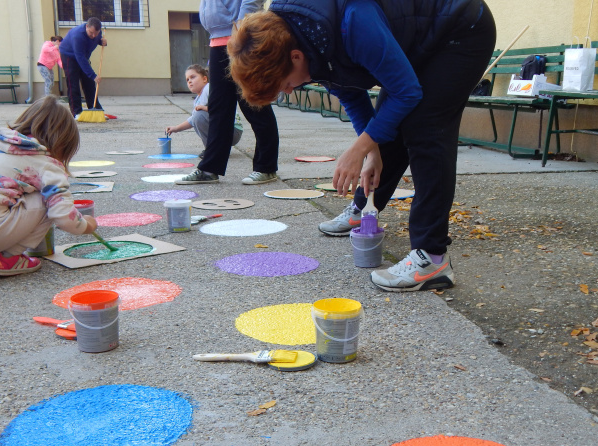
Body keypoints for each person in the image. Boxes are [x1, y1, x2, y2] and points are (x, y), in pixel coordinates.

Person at [228, 0, 496, 292]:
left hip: (461, 28)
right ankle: (366, 209)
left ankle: (432, 259)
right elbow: (351, 95)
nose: (290, 90)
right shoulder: (306, 38)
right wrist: (370, 151)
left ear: (295, 57)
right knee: (386, 126)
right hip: (423, 38)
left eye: (286, 84)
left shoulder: (352, 23)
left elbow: (406, 92)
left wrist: (358, 149)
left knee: (425, 128)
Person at [0, 96, 98, 289]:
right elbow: (62, 215)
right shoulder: (47, 162)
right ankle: (8, 258)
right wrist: (86, 225)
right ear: (63, 144)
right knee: (47, 199)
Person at [176, 0, 279, 186]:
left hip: (240, 39)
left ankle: (266, 167)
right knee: (219, 108)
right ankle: (209, 169)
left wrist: (240, 29)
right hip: (217, 41)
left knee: (254, 104)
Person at [165, 64, 242, 159]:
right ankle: (215, 148)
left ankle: (213, 150)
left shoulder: (209, 89)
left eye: (193, 77)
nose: (189, 81)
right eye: (187, 80)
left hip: (233, 130)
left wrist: (206, 108)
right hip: (228, 131)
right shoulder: (198, 99)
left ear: (204, 79)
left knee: (199, 116)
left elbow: (222, 107)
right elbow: (192, 120)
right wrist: (176, 128)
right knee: (197, 118)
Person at [59, 17, 107, 119]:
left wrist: (101, 41)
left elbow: (96, 39)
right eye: (91, 33)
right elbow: (80, 57)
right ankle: (76, 112)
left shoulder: (97, 33)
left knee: (89, 83)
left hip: (83, 56)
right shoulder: (77, 35)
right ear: (86, 26)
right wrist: (93, 75)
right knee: (73, 84)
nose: (93, 36)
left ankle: (95, 109)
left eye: (96, 33)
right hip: (69, 56)